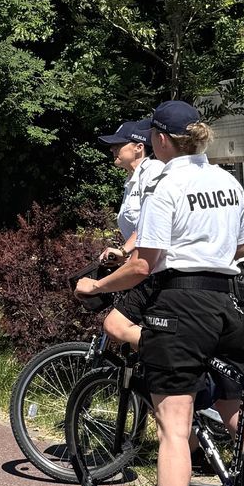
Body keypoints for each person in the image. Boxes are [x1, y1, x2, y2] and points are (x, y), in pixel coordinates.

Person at [75, 100, 244, 486]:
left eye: (152, 133)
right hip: (229, 304)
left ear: (163, 139)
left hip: (184, 305)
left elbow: (141, 266)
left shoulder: (167, 185)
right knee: (241, 414)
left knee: (175, 427)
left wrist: (96, 287)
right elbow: (237, 249)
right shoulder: (228, 181)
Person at [95, 119, 164, 349]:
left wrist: (124, 249)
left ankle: (171, 351)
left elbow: (149, 220)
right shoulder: (131, 181)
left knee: (118, 324)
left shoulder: (153, 172)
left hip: (157, 270)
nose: (112, 149)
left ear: (138, 147)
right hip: (143, 267)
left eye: (119, 144)